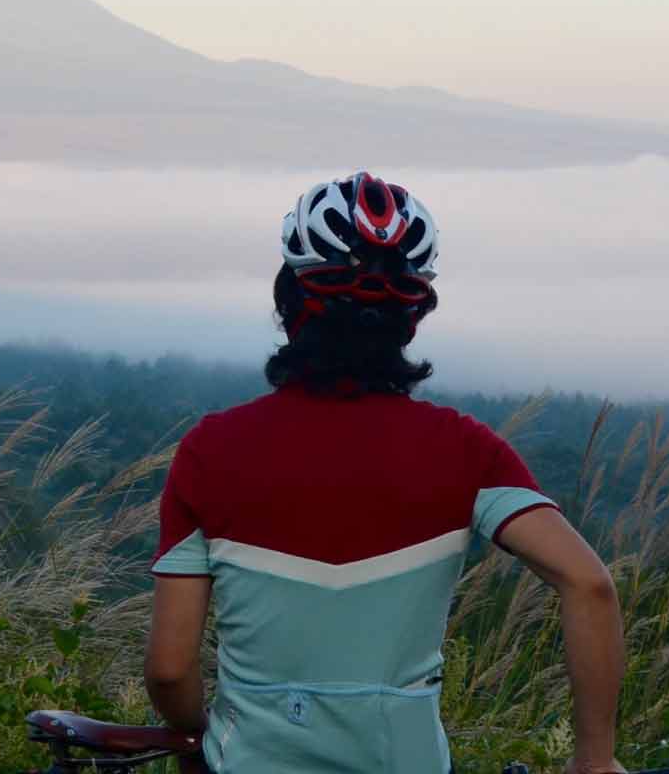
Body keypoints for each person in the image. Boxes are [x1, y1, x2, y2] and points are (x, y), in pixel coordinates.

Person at [144, 172, 627, 774]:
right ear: (411, 318)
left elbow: (169, 670)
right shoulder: (467, 450)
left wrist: (198, 732)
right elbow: (590, 585)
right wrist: (595, 759)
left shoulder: (211, 451)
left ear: (288, 302)